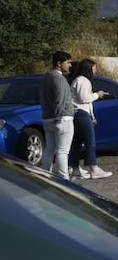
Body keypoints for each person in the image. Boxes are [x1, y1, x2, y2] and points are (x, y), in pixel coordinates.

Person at [69, 59, 112, 180]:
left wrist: (92, 116)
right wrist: (98, 94)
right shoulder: (83, 81)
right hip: (80, 113)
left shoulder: (79, 80)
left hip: (78, 114)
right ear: (88, 69)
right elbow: (84, 99)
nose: (95, 71)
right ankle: (93, 168)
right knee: (89, 141)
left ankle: (74, 168)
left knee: (76, 143)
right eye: (94, 69)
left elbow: (86, 102)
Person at [39, 51, 75, 180]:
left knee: (49, 149)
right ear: (59, 63)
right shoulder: (59, 78)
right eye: (68, 62)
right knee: (62, 151)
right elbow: (59, 100)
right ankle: (64, 180)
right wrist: (59, 117)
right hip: (61, 119)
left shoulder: (46, 77)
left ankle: (44, 177)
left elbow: (43, 98)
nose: (70, 65)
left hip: (47, 118)